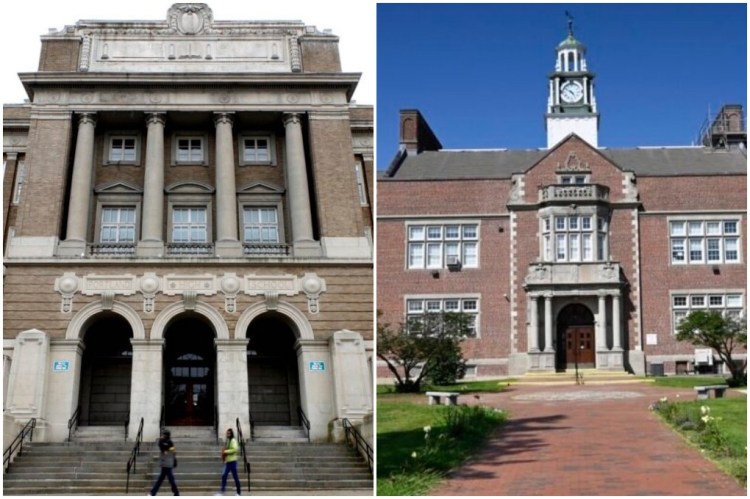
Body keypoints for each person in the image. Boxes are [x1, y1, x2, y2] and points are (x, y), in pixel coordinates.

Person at [149, 429, 180, 496]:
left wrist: (172, 456)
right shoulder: (162, 441)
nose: (163, 435)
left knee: (166, 479)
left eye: (164, 434)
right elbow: (162, 448)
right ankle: (176, 493)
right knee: (165, 479)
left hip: (168, 463)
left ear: (167, 435)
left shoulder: (169, 442)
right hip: (164, 462)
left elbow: (172, 450)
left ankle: (153, 493)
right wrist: (166, 447)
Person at [217, 428, 241, 496]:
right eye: (227, 433)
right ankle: (222, 492)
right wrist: (224, 456)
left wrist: (226, 451)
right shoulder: (228, 440)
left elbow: (235, 449)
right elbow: (227, 449)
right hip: (228, 462)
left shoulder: (233, 440)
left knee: (235, 477)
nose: (228, 434)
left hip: (233, 461)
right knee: (224, 476)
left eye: (229, 433)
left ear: (231, 434)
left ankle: (238, 493)